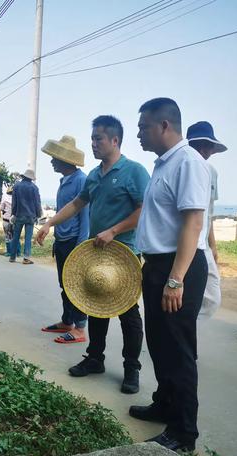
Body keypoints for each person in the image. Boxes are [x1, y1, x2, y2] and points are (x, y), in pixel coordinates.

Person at [37, 116, 150, 394]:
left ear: (115, 140)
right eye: (92, 139)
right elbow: (77, 204)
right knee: (95, 306)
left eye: (99, 138)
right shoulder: (94, 175)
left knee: (127, 312)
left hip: (124, 252)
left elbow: (144, 209)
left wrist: (113, 231)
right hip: (97, 252)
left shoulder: (133, 171)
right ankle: (95, 358)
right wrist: (50, 222)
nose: (94, 144)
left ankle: (131, 367)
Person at [131, 98, 210, 452]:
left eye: (143, 127)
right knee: (160, 344)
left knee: (178, 350)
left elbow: (193, 222)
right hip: (158, 264)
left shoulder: (188, 161)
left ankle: (183, 432)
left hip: (179, 266)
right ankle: (164, 404)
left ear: (165, 125)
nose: (138, 134)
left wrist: (175, 278)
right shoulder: (163, 164)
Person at [40, 135, 89, 343]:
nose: (52, 161)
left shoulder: (81, 180)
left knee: (74, 285)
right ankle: (67, 321)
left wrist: (81, 245)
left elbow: (85, 214)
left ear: (65, 160)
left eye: (55, 157)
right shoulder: (64, 180)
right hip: (62, 239)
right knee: (64, 284)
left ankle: (79, 328)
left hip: (73, 241)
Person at [187, 121, 227, 320]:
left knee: (212, 297)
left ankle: (186, 324)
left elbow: (208, 213)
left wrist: (213, 245)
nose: (205, 150)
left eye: (208, 145)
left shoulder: (212, 172)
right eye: (199, 145)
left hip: (203, 244)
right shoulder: (184, 167)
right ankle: (181, 328)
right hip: (186, 241)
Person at [9, 169, 42, 265]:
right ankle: (26, 258)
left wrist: (13, 213)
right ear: (31, 178)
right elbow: (37, 203)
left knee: (16, 236)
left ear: (23, 176)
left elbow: (14, 203)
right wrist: (38, 215)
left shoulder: (16, 186)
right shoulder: (34, 188)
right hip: (31, 216)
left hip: (19, 214)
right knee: (28, 237)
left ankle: (12, 257)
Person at [0, 186, 21, 257]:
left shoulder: (4, 198)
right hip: (15, 220)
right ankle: (18, 252)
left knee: (8, 236)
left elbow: (1, 208)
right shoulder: (18, 198)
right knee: (16, 236)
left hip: (6, 220)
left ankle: (9, 252)